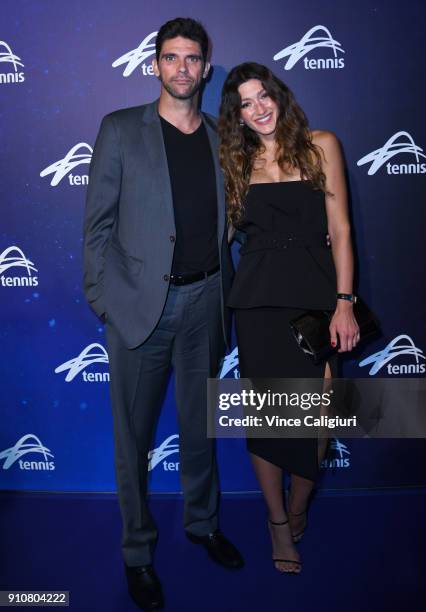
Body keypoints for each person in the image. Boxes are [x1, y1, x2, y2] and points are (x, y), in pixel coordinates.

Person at [83, 17, 243, 611]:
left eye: (192, 58)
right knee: (132, 440)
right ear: (155, 65)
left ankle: (203, 524)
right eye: (171, 58)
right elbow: (96, 229)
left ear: (205, 67)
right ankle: (137, 554)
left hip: (206, 303)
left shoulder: (222, 136)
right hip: (139, 311)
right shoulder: (120, 130)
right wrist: (106, 301)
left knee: (200, 428)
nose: (182, 68)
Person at [218, 62, 359, 574]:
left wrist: (344, 301)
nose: (258, 110)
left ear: (279, 95)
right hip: (257, 302)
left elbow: (341, 229)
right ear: (236, 116)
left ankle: (300, 505)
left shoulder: (322, 144)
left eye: (263, 97)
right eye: (245, 105)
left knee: (316, 420)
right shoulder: (235, 162)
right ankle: (278, 521)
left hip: (315, 300)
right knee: (268, 418)